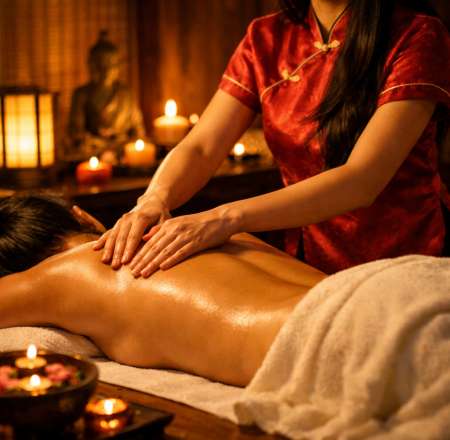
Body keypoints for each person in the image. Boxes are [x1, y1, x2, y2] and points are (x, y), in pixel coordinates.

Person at [94, 0, 450, 278]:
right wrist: (153, 199)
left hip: (403, 259)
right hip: (305, 263)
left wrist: (226, 218)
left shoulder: (417, 35)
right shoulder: (266, 37)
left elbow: (362, 179)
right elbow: (201, 147)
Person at [0, 195, 325, 386]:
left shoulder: (57, 279)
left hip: (322, 341)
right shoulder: (205, 232)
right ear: (83, 217)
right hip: (351, 290)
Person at [67, 31, 145, 161]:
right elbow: (75, 132)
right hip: (93, 151)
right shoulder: (81, 95)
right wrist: (90, 141)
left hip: (121, 147)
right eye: (101, 65)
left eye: (111, 65)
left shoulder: (126, 94)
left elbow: (138, 129)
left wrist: (132, 141)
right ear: (92, 66)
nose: (107, 70)